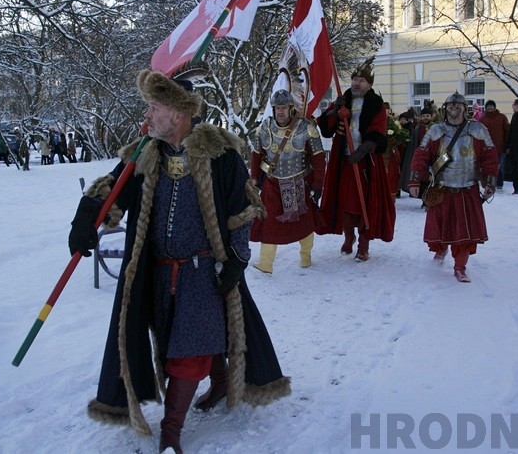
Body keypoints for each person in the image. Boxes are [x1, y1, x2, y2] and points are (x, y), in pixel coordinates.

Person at [68, 70, 290, 453]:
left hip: (204, 271)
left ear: (178, 114)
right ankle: (219, 381)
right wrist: (85, 217)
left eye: (154, 108)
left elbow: (242, 209)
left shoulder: (219, 153)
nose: (147, 116)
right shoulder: (145, 152)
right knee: (174, 341)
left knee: (187, 351)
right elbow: (113, 190)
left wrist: (236, 258)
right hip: (155, 272)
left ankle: (171, 433)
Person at [408, 92, 499, 282]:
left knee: (464, 231)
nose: (454, 109)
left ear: (465, 109)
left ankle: (460, 267)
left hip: (467, 188)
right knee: (441, 226)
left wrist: (489, 182)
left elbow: (490, 156)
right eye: (450, 106)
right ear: (445, 109)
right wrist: (415, 181)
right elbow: (421, 155)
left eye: (458, 106)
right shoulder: (435, 130)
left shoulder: (478, 130)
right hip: (442, 188)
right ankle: (440, 253)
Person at [317, 57, 395, 262]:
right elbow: (326, 127)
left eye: (361, 80)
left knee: (365, 204)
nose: (356, 83)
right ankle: (348, 235)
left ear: (369, 84)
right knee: (343, 200)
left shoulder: (376, 104)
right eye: (355, 79)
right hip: (343, 161)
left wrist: (360, 152)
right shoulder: (344, 98)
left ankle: (363, 243)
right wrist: (335, 110)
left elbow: (378, 131)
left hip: (366, 163)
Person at [249, 89, 326, 273]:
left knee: (305, 223)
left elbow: (319, 159)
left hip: (301, 182)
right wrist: (253, 182)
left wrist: (317, 186)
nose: (280, 111)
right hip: (272, 184)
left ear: (291, 108)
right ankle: (266, 264)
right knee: (268, 223)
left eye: (283, 107)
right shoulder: (264, 128)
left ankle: (305, 256)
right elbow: (256, 155)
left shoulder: (306, 128)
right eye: (277, 108)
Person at [479, 100, 510, 192]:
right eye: (488, 106)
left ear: (495, 107)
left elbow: (508, 131)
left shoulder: (502, 117)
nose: (490, 108)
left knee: (500, 167)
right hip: (487, 149)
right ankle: (490, 183)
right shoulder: (483, 119)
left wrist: (507, 145)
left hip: (500, 147)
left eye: (491, 106)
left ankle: (500, 183)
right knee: (488, 167)